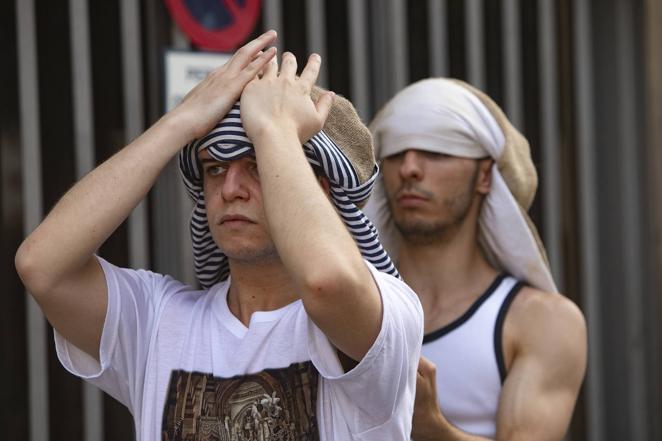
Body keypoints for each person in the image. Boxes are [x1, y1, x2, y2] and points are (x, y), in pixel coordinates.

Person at [15, 31, 423, 440]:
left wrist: (275, 131)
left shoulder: (390, 311)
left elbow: (326, 283)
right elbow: (43, 265)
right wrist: (181, 121)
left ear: (321, 189)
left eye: (256, 165)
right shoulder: (159, 321)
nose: (230, 189)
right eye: (214, 169)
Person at [363, 78, 587, 441]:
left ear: (485, 175)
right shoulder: (353, 300)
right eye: (395, 155)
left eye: (437, 153)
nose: (410, 169)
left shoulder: (540, 320)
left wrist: (429, 425)